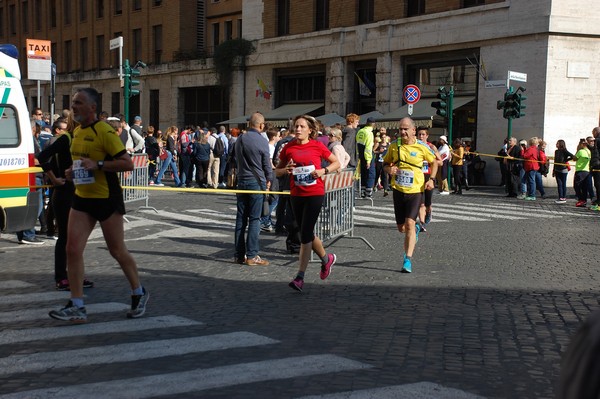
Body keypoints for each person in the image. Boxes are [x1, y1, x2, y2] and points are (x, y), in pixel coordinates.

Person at [48, 87, 149, 323]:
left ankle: (139, 292)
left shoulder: (104, 131)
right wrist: (72, 172)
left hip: (106, 199)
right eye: (73, 103)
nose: (74, 107)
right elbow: (81, 164)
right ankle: (77, 305)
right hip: (82, 198)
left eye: (79, 103)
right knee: (72, 250)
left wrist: (99, 164)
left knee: (117, 251)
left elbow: (127, 164)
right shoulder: (77, 133)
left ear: (92, 107)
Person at [275, 114, 340, 292]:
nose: (298, 129)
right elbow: (277, 172)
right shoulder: (288, 147)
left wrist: (323, 171)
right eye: (296, 126)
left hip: (315, 193)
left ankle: (300, 277)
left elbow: (336, 163)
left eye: (302, 126)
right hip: (296, 194)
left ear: (310, 130)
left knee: (304, 234)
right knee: (306, 232)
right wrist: (285, 170)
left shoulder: (318, 145)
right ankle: (327, 259)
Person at [38, 114, 95, 291]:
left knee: (79, 238)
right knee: (65, 237)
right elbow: (42, 156)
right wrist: (54, 179)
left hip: (82, 193)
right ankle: (61, 277)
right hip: (65, 193)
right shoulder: (66, 139)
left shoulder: (87, 139)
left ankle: (76, 274)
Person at [383, 117, 436, 273]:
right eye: (400, 129)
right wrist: (389, 170)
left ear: (414, 130)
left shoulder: (422, 147)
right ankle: (416, 230)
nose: (403, 132)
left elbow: (434, 162)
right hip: (399, 190)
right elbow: (385, 163)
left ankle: (407, 259)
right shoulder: (394, 146)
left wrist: (432, 180)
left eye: (406, 129)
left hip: (415, 190)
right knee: (402, 228)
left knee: (410, 224)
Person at [232, 112, 273, 266]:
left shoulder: (240, 138)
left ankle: (238, 255)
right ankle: (252, 255)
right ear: (261, 125)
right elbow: (266, 165)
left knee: (241, 219)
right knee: (255, 219)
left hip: (241, 181)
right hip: (256, 183)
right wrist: (270, 179)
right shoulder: (262, 141)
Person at [416, 127, 442, 225]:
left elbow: (440, 162)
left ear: (427, 136)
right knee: (420, 202)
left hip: (429, 177)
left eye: (423, 134)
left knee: (427, 203)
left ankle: (429, 212)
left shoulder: (431, 147)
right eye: (419, 134)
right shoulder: (415, 146)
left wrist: (429, 161)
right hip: (418, 177)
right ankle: (421, 223)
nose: (421, 136)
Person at [356, 117, 376, 198]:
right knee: (371, 173)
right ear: (373, 124)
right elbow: (368, 148)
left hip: (360, 155)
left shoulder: (360, 131)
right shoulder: (369, 133)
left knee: (363, 173)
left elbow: (357, 144)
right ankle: (368, 192)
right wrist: (368, 160)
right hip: (367, 156)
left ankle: (363, 190)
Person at [552, 139, 573, 204]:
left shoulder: (564, 150)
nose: (556, 144)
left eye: (557, 143)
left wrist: (566, 160)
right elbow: (555, 161)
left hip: (563, 169)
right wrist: (553, 170)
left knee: (563, 183)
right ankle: (560, 197)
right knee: (559, 184)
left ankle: (563, 197)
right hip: (557, 169)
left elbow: (572, 156)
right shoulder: (556, 151)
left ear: (561, 144)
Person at [573, 138, 591, 207]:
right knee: (584, 187)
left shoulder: (580, 151)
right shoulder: (589, 151)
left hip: (580, 171)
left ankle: (581, 199)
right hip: (587, 171)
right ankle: (584, 200)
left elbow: (575, 158)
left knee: (576, 186)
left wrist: (577, 150)